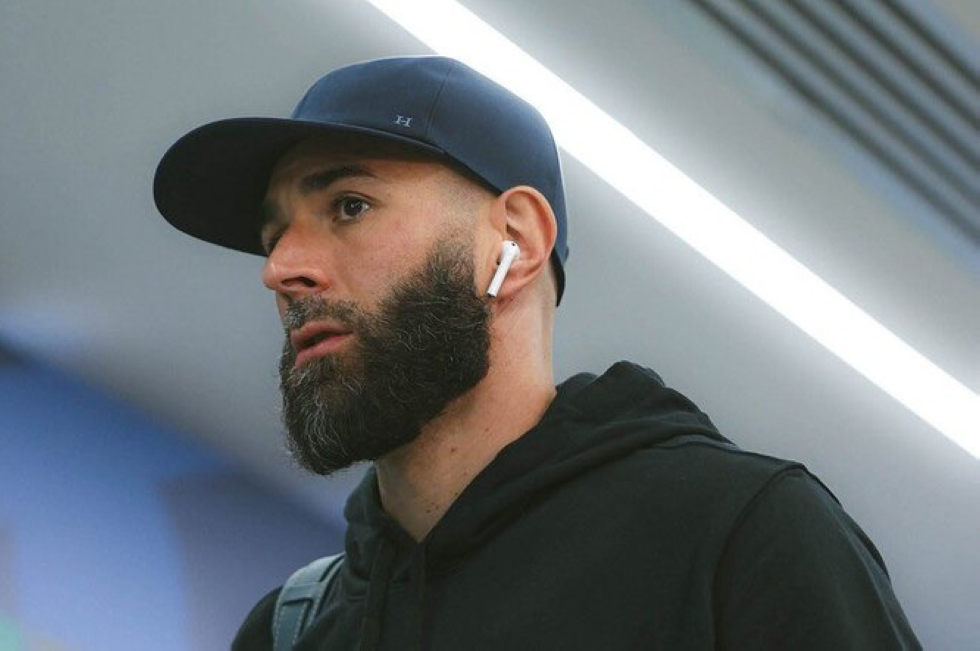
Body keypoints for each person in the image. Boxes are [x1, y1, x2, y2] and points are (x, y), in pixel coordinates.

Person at [154, 56, 920, 650]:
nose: (281, 269)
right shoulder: (290, 632)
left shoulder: (736, 534)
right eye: (274, 235)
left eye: (349, 205)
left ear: (515, 243)